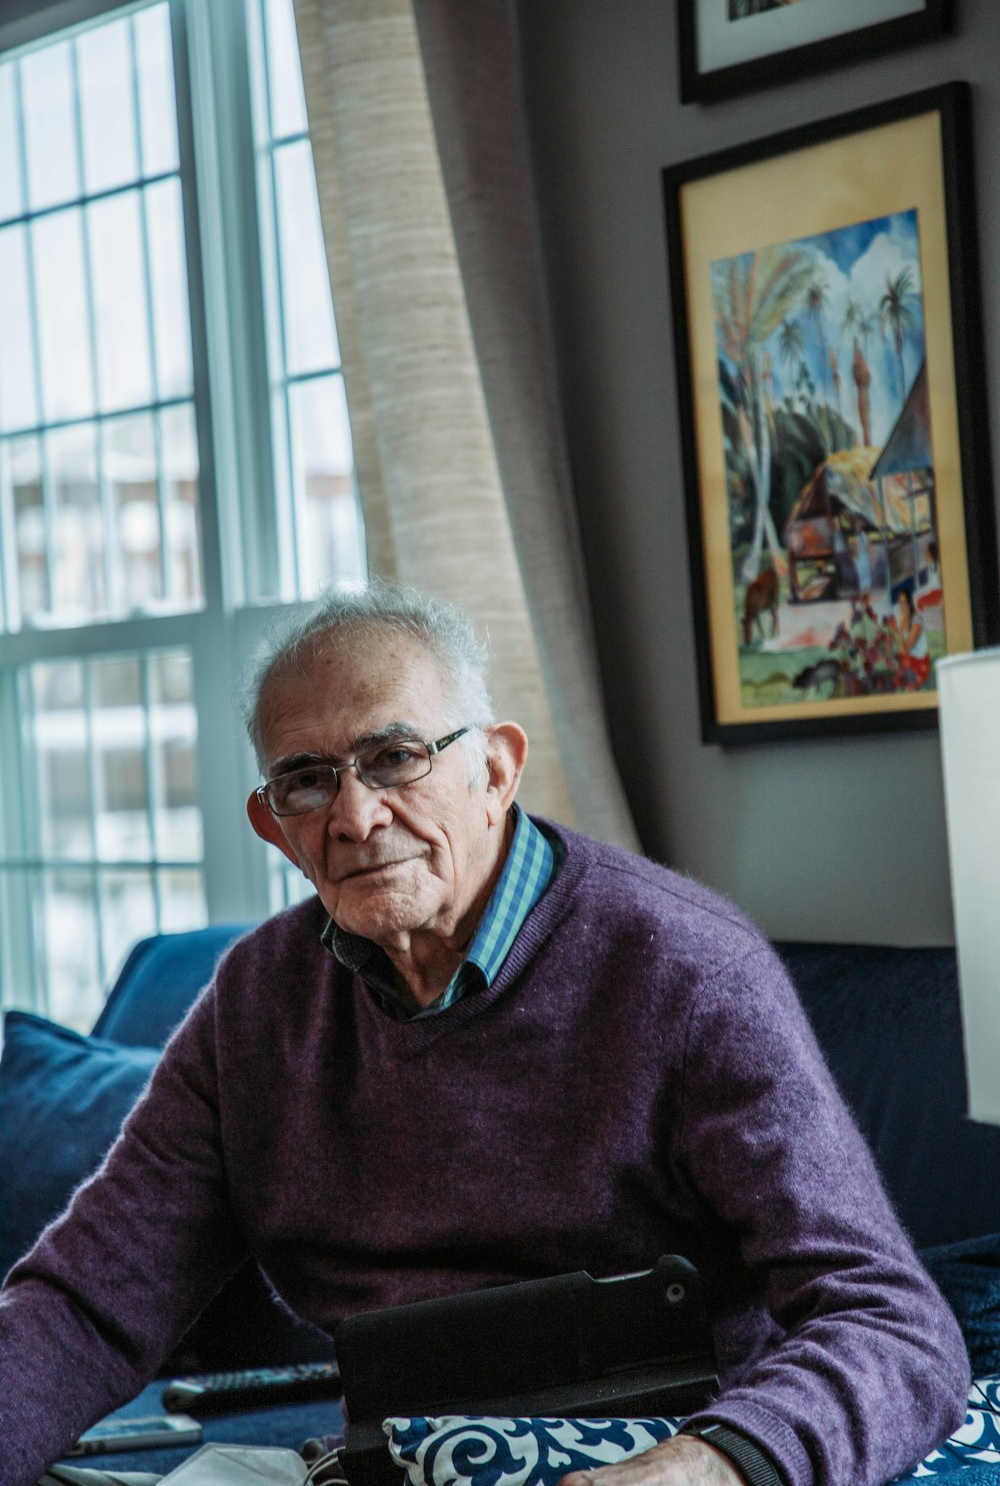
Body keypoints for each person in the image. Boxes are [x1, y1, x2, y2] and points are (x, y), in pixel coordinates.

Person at [0, 581, 968, 1486]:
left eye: (394, 756)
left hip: (666, 1450)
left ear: (496, 768)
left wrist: (702, 1468)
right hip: (399, 1460)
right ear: (272, 825)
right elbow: (90, 1304)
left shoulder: (684, 972)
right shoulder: (258, 1002)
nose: (355, 813)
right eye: (305, 781)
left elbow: (890, 1327)